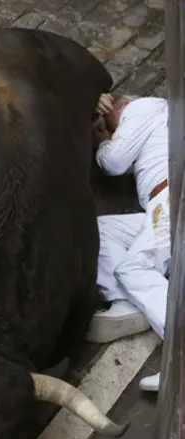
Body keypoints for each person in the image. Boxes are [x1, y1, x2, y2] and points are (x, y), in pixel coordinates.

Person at [91, 92, 170, 392]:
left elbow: (113, 161)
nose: (114, 133)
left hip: (173, 197)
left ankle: (180, 354)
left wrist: (101, 140)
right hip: (160, 206)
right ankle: (125, 301)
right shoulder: (159, 129)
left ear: (123, 105)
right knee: (100, 231)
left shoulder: (144, 107)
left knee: (137, 267)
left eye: (114, 127)